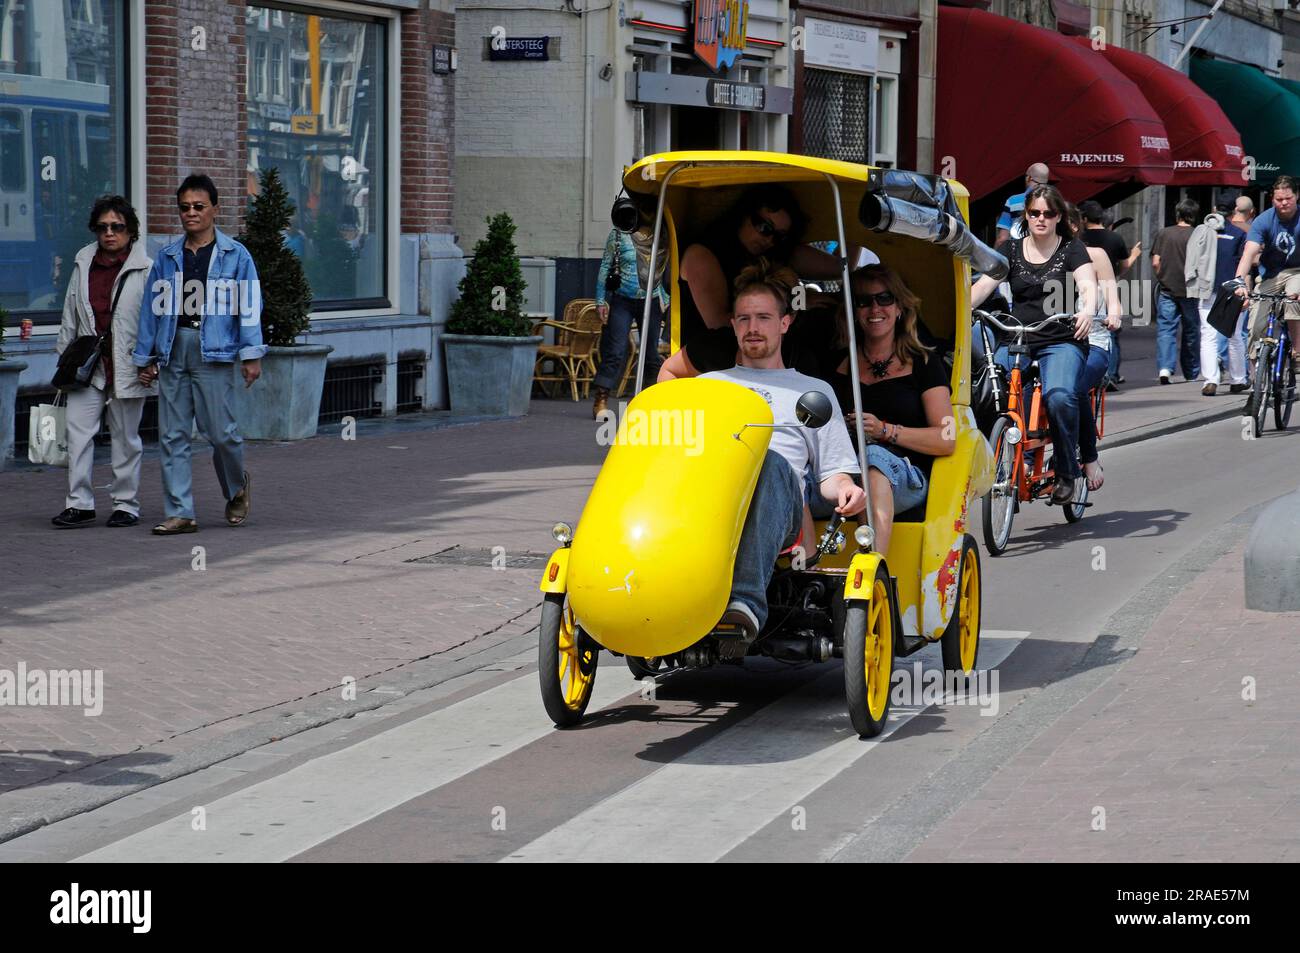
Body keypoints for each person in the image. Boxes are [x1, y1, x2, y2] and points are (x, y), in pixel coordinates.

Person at [698, 262, 865, 637]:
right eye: (743, 319)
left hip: (783, 507)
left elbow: (831, 473)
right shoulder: (708, 386)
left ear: (785, 323)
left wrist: (846, 488)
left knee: (768, 459)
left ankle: (745, 603)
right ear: (733, 325)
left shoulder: (812, 391)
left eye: (763, 318)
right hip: (710, 500)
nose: (752, 328)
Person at [133, 174, 266, 535]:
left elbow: (249, 306)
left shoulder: (235, 256)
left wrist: (251, 354)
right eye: (184, 208)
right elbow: (152, 308)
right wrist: (145, 356)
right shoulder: (168, 257)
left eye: (198, 207)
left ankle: (237, 486)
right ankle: (181, 512)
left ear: (214, 209)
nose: (190, 213)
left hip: (215, 351)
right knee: (172, 434)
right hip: (174, 348)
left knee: (221, 433)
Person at [971, 185, 1097, 505]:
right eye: (1034, 213)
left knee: (1059, 398)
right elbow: (984, 285)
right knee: (988, 391)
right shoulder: (1010, 250)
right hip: (1018, 336)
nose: (1041, 218)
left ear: (1059, 216)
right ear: (1026, 215)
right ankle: (985, 462)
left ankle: (1068, 472)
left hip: (1061, 339)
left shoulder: (1072, 249)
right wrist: (961, 309)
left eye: (1048, 213)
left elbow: (1088, 285)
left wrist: (1087, 309)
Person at [827, 265, 955, 556]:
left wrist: (885, 431)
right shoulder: (836, 364)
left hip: (906, 477)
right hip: (844, 475)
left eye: (884, 299)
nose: (875, 308)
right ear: (854, 311)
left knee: (873, 459)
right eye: (864, 301)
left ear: (899, 307)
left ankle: (873, 568)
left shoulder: (924, 362)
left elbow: (946, 439)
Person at [50, 196, 155, 529]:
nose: (109, 233)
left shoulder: (147, 268)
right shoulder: (83, 263)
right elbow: (71, 310)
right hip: (87, 365)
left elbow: (155, 320)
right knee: (78, 434)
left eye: (117, 227)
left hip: (128, 364)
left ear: (130, 230)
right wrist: (64, 356)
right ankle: (79, 504)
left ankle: (126, 504)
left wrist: (151, 361)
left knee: (126, 439)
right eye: (103, 227)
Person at [678, 184, 840, 345]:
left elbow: (841, 268)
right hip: (708, 360)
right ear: (743, 215)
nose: (769, 240)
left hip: (763, 356)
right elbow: (719, 325)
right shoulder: (702, 255)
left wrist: (803, 300)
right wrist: (795, 306)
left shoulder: (773, 257)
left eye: (779, 237)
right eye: (764, 228)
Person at [1067, 205, 1123, 491]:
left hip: (1094, 344)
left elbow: (1112, 293)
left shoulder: (1096, 255)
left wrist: (1113, 312)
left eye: (1065, 222)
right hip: (1054, 342)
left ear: (1077, 227)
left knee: (1075, 387)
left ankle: (1089, 456)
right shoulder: (1040, 256)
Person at [591, 224, 669, 419]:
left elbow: (665, 264)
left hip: (650, 300)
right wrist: (600, 300)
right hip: (622, 300)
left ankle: (649, 403)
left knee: (651, 354)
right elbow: (605, 265)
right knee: (615, 350)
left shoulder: (659, 232)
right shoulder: (618, 235)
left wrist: (664, 297)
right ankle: (600, 401)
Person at [1233, 176, 1300, 391]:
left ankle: (1297, 351)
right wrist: (1239, 282)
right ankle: (1257, 379)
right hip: (1270, 275)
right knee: (1254, 325)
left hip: (1297, 272)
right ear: (1273, 199)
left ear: (1296, 197)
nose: (1283, 203)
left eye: (1288, 198)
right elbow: (1249, 252)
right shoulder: (1263, 220)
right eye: (1279, 199)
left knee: (1293, 298)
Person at [1185, 198, 1248, 396]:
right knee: (1234, 335)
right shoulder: (1238, 234)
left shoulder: (1202, 231)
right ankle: (1238, 379)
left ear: (1214, 209)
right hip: (1231, 290)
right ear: (1234, 212)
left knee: (1208, 335)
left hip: (1206, 289)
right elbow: (1243, 266)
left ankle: (1210, 380)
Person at [1151, 199, 1201, 384]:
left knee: (1166, 330)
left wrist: (1162, 276)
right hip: (1190, 290)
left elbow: (1156, 261)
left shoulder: (1164, 233)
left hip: (1167, 289)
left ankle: (1165, 368)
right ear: (1194, 216)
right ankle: (1191, 372)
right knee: (1191, 331)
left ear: (1177, 214)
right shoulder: (1198, 234)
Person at [995, 162, 1051, 246]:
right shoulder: (1053, 201)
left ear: (1028, 178)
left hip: (1018, 254)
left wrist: (994, 256)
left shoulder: (1012, 201)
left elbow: (1002, 239)